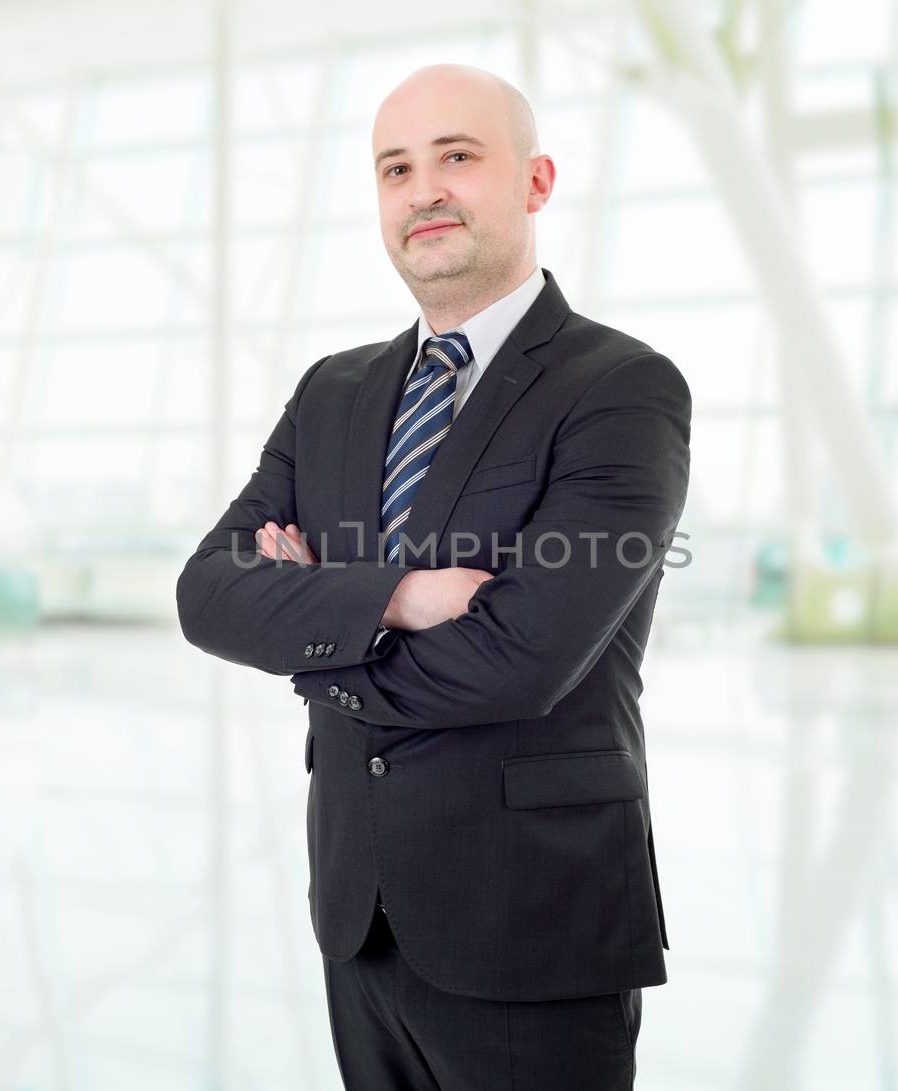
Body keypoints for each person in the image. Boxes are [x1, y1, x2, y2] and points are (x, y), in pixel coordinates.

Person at [176, 63, 691, 1090]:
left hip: (532, 925)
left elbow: (519, 659)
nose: (423, 191)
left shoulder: (620, 388)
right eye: (395, 168)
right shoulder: (332, 392)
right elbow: (207, 592)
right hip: (359, 916)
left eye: (457, 156)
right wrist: (401, 598)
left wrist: (310, 633)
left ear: (534, 182)